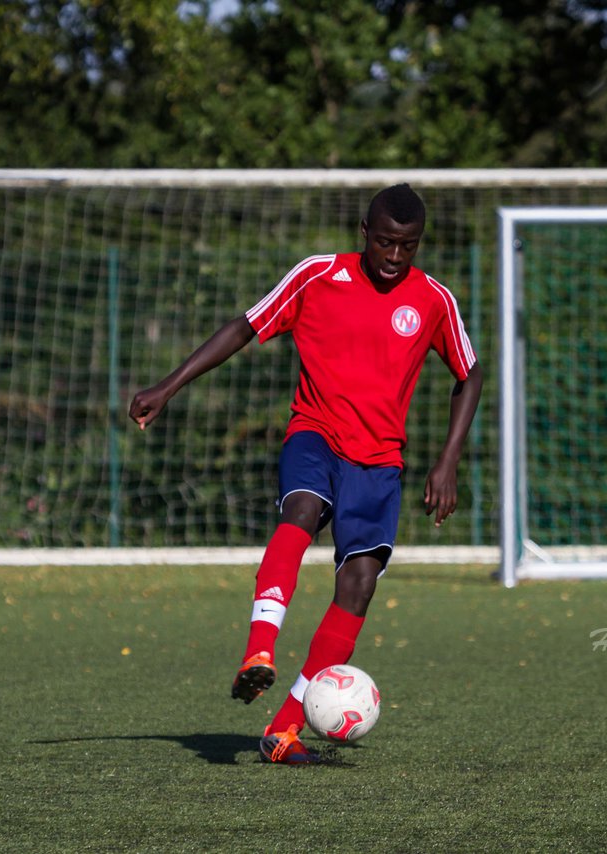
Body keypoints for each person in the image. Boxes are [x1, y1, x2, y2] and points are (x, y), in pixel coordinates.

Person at [129, 183, 483, 765]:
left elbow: (469, 374)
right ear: (363, 233)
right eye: (386, 243)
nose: (395, 257)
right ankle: (257, 651)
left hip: (379, 461)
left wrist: (447, 462)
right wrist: (168, 385)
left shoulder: (434, 300)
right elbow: (245, 326)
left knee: (359, 584)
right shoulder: (318, 274)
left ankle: (285, 730)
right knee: (301, 511)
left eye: (409, 246)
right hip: (315, 434)